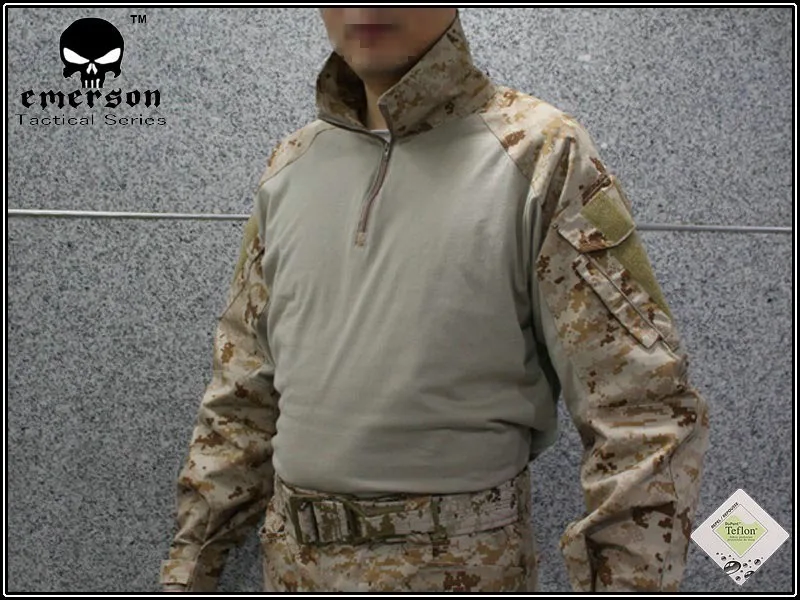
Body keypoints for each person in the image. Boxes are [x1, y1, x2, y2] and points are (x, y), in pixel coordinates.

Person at [159, 7, 710, 593]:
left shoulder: (540, 155)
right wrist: (188, 568)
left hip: (458, 575)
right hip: (292, 571)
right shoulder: (291, 167)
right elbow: (241, 395)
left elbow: (640, 410)